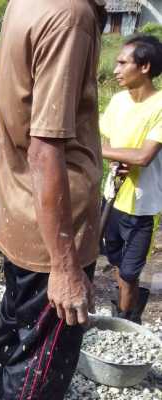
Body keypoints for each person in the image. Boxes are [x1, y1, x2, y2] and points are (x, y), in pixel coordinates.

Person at [0, 0, 106, 400]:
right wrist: (66, 265)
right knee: (47, 355)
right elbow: (46, 145)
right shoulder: (71, 16)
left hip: (21, 210)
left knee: (16, 325)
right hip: (54, 225)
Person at [100, 34, 162, 324]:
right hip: (112, 197)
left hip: (141, 207)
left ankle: (124, 321)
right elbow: (108, 140)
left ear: (145, 66)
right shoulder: (118, 101)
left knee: (129, 271)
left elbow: (144, 156)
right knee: (113, 258)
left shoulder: (160, 105)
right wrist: (115, 156)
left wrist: (107, 152)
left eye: (123, 63)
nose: (116, 69)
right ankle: (129, 301)